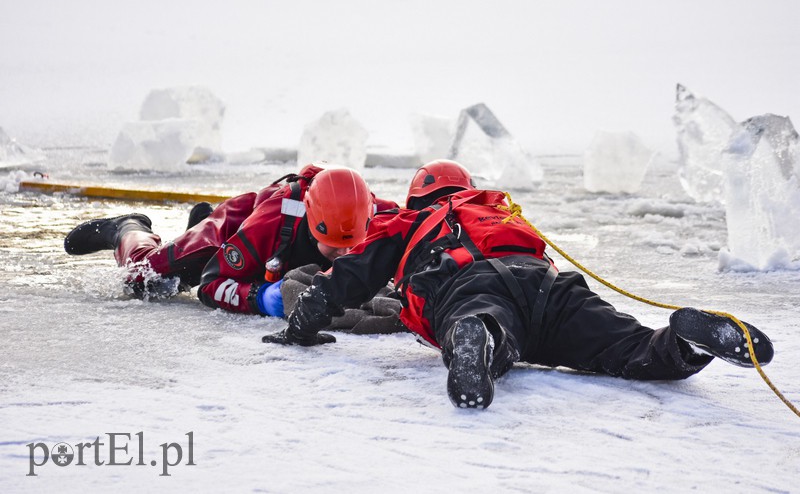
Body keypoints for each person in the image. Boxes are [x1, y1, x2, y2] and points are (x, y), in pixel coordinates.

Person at [262, 159, 775, 410]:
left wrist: (300, 329)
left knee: (486, 321)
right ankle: (682, 341)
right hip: (549, 286)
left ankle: (478, 335)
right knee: (635, 352)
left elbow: (344, 280)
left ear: (420, 197)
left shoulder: (409, 223)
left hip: (464, 282)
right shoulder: (496, 210)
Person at [63, 164, 402, 327]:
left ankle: (196, 219)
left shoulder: (386, 217)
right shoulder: (273, 220)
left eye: (351, 247)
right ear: (312, 222)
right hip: (236, 227)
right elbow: (210, 286)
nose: (344, 256)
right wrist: (261, 299)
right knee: (148, 281)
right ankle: (128, 227)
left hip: (267, 246)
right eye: (333, 246)